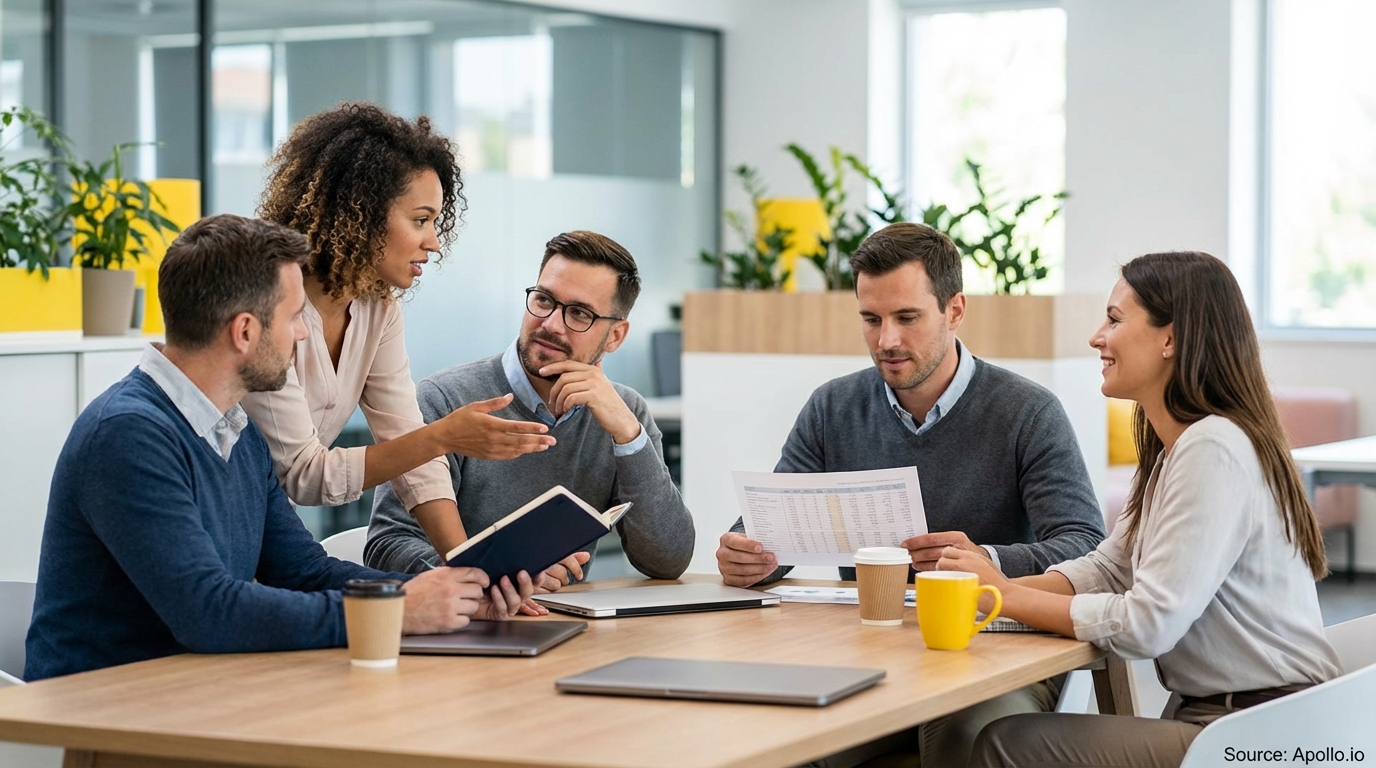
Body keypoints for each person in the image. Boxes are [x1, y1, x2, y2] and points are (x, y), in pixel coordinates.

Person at [24, 215, 535, 682]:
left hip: (198, 696)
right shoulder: (130, 434)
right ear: (244, 331)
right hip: (109, 717)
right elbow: (208, 613)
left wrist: (452, 594)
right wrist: (397, 609)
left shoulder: (235, 430)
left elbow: (302, 572)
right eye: (294, 317)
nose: (302, 335)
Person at [714, 222, 1106, 767]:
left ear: (955, 310)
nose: (887, 340)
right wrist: (746, 552)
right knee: (782, 736)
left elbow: (1086, 544)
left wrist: (983, 562)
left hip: (995, 644)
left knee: (964, 738)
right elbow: (775, 522)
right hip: (869, 644)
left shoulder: (1028, 412)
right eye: (871, 320)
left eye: (907, 318)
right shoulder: (833, 408)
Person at [943, 251, 1341, 768]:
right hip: (1233, 718)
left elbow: (1146, 623)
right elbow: (1111, 568)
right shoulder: (1179, 450)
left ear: (1169, 339)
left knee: (1004, 743)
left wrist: (999, 596)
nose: (1096, 337)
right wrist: (984, 589)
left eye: (1113, 319)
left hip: (1263, 734)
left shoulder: (1212, 448)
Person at [244, 102, 554, 564]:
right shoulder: (269, 303)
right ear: (361, 213)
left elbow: (410, 450)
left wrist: (469, 566)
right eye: (420, 219)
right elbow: (307, 476)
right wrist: (442, 436)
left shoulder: (376, 308)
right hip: (226, 522)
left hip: (270, 526)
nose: (434, 240)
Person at [365, 231, 694, 582]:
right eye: (543, 300)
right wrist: (495, 573)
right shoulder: (444, 398)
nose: (551, 324)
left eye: (579, 313)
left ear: (615, 336)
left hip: (570, 624)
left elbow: (668, 561)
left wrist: (629, 435)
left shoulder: (625, 412)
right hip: (465, 626)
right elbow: (386, 546)